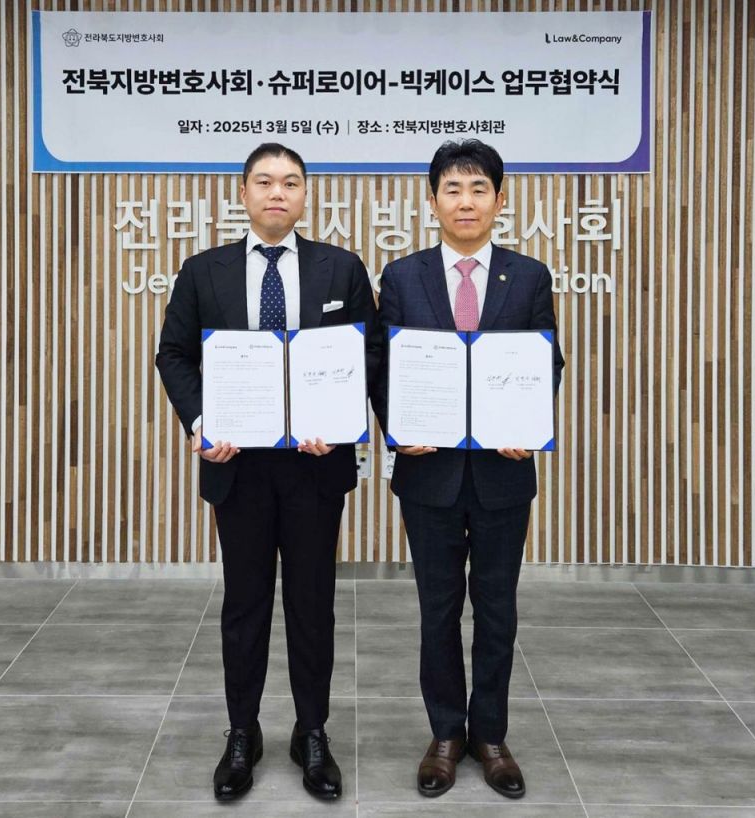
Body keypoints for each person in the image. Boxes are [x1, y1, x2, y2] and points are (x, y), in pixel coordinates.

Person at [156, 143, 379, 802]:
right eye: (264, 181)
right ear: (243, 193)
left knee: (313, 605)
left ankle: (313, 732)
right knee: (244, 605)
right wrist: (202, 422)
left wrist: (340, 419)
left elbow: (368, 355)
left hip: (315, 467)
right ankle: (241, 732)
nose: (277, 192)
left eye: (290, 182)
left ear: (305, 194)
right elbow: (173, 354)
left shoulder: (342, 269)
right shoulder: (204, 271)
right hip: (239, 468)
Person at [371, 139, 564, 800]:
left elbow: (546, 361)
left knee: (498, 609)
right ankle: (446, 735)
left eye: (479, 189)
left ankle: (491, 736)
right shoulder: (403, 277)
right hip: (429, 474)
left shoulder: (528, 276)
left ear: (499, 201)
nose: (465, 201)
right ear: (432, 202)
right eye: (452, 189)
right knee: (438, 609)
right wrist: (398, 425)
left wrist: (528, 424)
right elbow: (383, 366)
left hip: (503, 474)